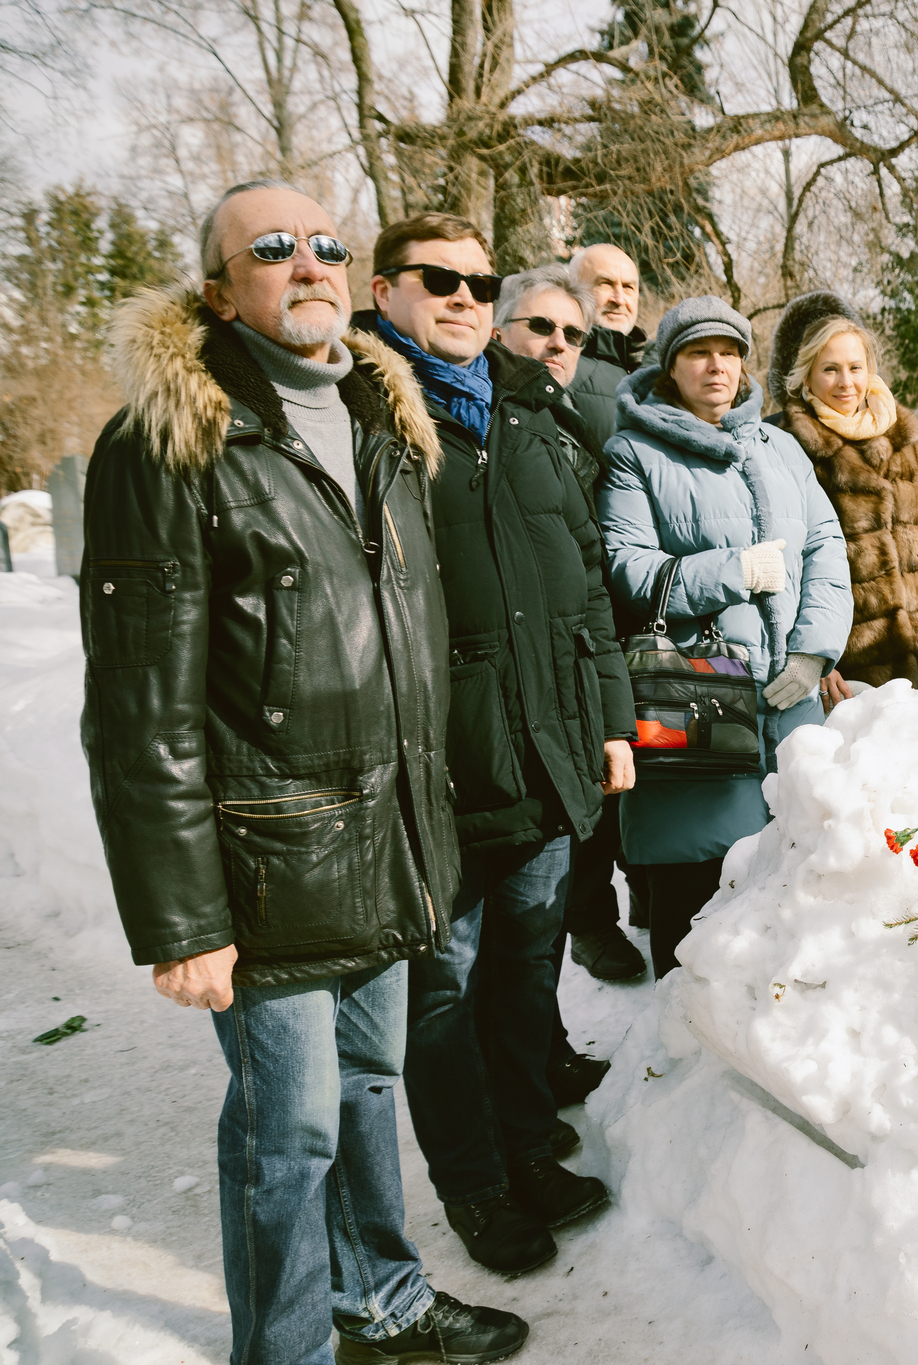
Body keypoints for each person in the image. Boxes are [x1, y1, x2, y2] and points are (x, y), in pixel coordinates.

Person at [80, 178, 526, 1363]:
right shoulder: (169, 441)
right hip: (268, 865)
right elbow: (140, 713)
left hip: (386, 846)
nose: (310, 263)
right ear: (221, 291)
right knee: (289, 1137)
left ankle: (377, 1300)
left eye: (327, 244)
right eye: (271, 249)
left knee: (372, 1092)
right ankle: (286, 1351)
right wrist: (183, 918)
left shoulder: (386, 425)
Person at [367, 212, 636, 1274]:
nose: (465, 300)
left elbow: (585, 603)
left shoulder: (530, 427)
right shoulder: (366, 424)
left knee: (527, 969)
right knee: (443, 993)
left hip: (546, 751)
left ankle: (529, 1145)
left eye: (481, 283)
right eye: (440, 280)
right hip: (438, 767)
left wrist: (610, 722)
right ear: (386, 291)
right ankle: (476, 1186)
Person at [600, 296, 852, 977]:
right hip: (697, 699)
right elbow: (627, 568)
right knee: (697, 909)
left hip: (787, 702)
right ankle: (676, 1063)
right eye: (698, 352)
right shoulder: (634, 452)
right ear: (670, 364)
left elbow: (826, 546)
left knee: (787, 887)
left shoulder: (779, 446)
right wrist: (731, 571)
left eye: (730, 351)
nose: (717, 366)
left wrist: (811, 650)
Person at [493, 265, 649, 987]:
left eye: (572, 332)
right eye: (544, 326)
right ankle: (588, 918)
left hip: (591, 617)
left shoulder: (627, 373)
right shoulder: (512, 402)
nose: (559, 341)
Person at [765, 290, 918, 705]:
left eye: (855, 367)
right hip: (850, 665)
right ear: (807, 376)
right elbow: (788, 565)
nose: (845, 382)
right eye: (830, 369)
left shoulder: (906, 440)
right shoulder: (790, 445)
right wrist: (819, 656)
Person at [565, 243, 644, 449]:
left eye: (628, 287)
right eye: (605, 284)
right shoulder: (561, 366)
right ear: (573, 290)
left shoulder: (662, 366)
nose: (619, 299)